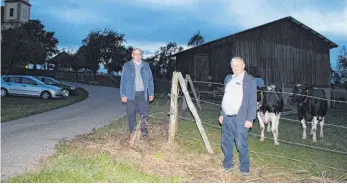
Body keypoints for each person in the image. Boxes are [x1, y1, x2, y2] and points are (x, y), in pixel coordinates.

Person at [218, 57, 257, 177]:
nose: (235, 68)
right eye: (233, 66)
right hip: (227, 117)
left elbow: (252, 101)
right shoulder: (229, 79)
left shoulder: (249, 80)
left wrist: (250, 119)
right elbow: (226, 97)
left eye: (237, 65)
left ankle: (244, 169)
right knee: (226, 142)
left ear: (243, 65)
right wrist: (221, 113)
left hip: (240, 118)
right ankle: (227, 165)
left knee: (241, 144)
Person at [120, 48, 154, 137]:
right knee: (131, 114)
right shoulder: (127, 65)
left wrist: (151, 93)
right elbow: (123, 81)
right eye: (136, 54)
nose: (138, 56)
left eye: (140, 54)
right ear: (132, 55)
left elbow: (150, 80)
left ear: (141, 55)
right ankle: (133, 132)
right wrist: (123, 95)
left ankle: (144, 132)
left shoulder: (146, 65)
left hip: (143, 94)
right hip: (131, 94)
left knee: (144, 114)